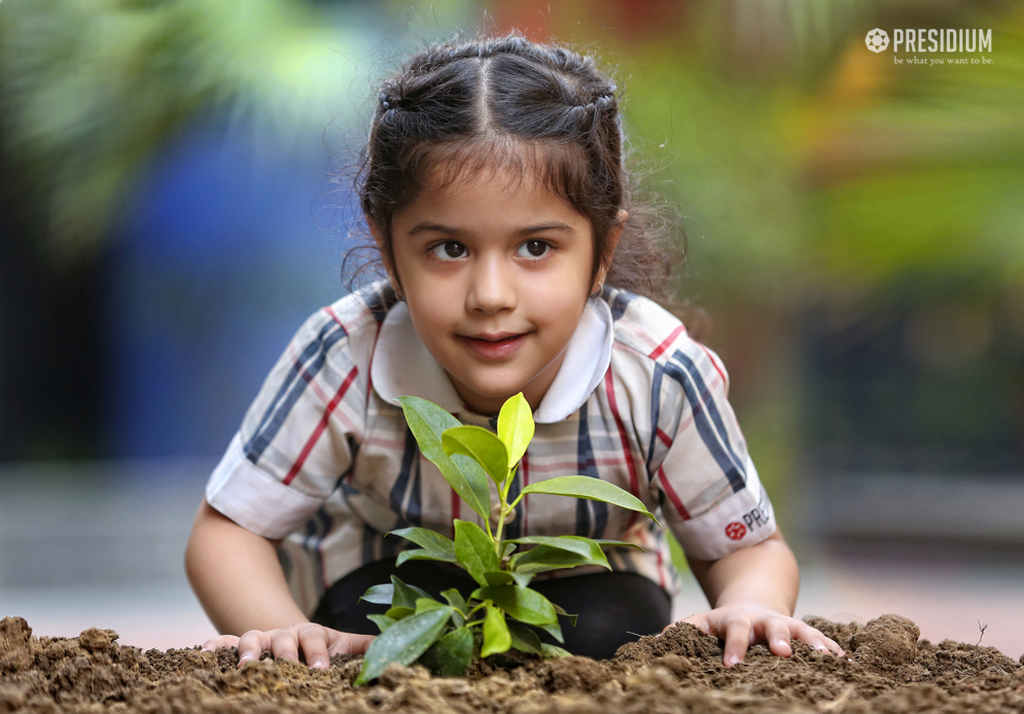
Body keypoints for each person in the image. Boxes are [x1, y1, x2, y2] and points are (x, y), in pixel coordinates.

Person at [185, 32, 844, 670]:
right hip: (386, 591)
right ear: (388, 249)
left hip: (592, 595)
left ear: (600, 254)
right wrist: (281, 633)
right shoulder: (344, 354)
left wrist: (752, 605)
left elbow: (751, 550)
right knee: (372, 624)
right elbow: (227, 532)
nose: (491, 296)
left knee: (620, 625)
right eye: (449, 248)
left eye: (536, 247)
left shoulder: (659, 373)